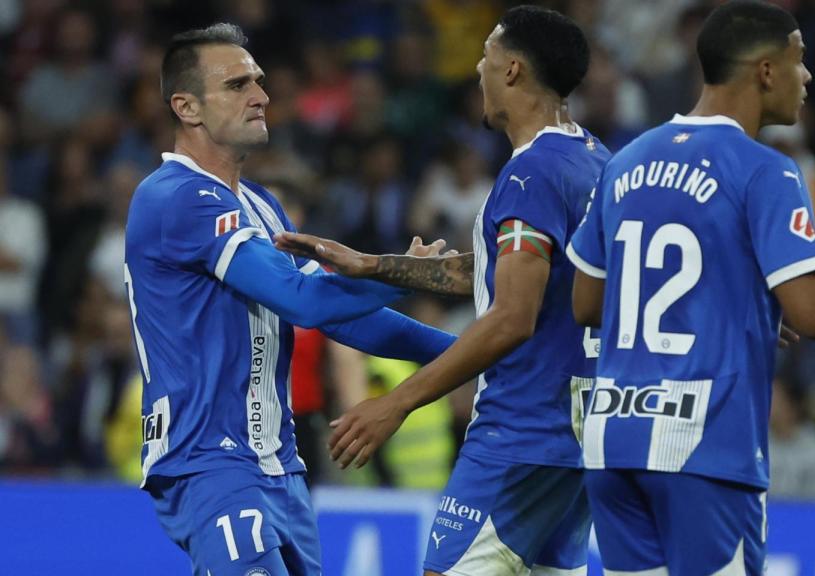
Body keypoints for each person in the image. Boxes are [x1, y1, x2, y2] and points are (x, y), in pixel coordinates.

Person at [565, 1, 815, 574]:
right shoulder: (765, 170)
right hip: (702, 447)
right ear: (764, 70)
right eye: (799, 61)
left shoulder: (626, 160)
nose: (807, 77)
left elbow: (586, 303)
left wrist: (732, 305)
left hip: (612, 443)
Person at [276, 6, 608, 575]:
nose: (476, 68)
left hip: (522, 429)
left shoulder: (533, 174)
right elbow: (500, 275)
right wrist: (373, 266)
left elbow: (512, 317)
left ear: (512, 71)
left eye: (486, 55)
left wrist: (395, 404)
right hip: (581, 430)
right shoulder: (593, 159)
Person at [125, 24, 455, 575]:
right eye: (237, 85)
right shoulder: (173, 198)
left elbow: (346, 318)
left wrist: (471, 352)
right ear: (186, 106)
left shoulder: (260, 204)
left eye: (258, 80)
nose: (261, 95)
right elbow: (304, 302)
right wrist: (407, 273)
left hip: (280, 469)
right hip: (211, 464)